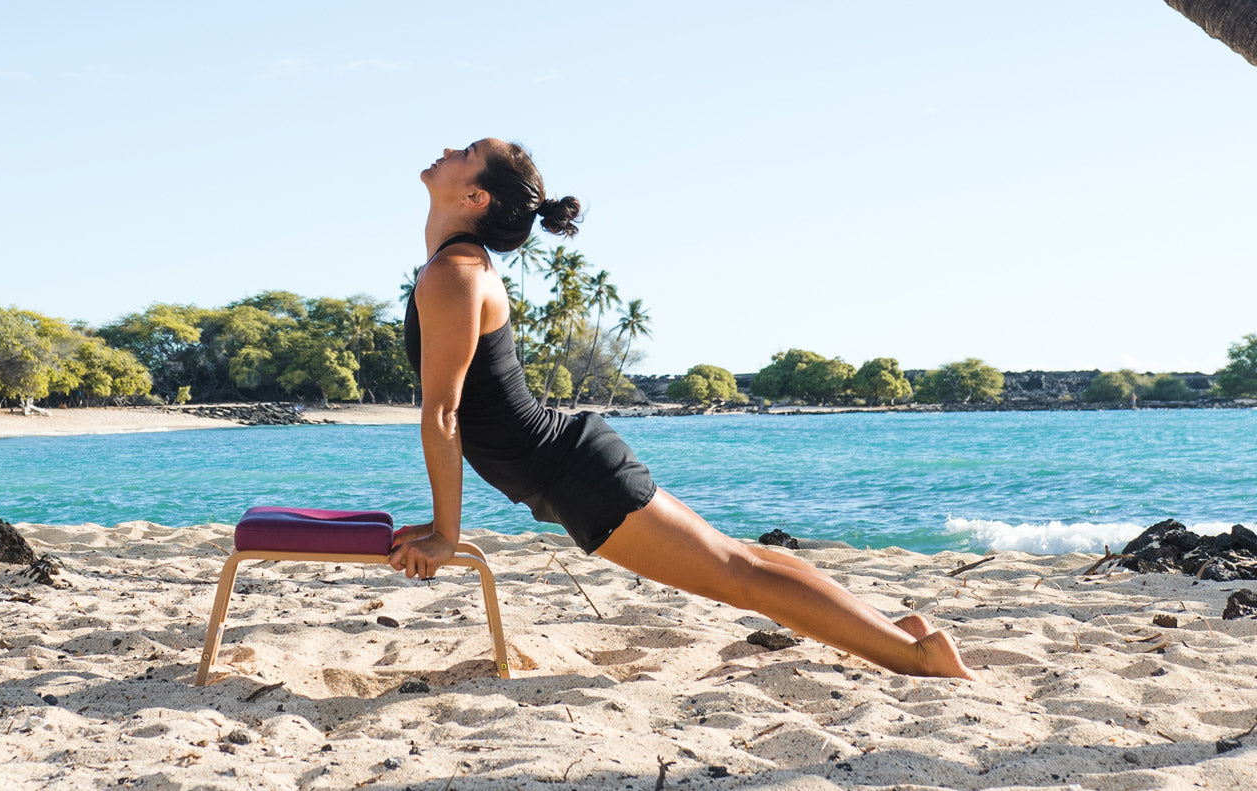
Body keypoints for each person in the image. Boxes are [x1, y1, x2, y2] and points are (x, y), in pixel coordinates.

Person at [387, 139, 977, 680]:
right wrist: (442, 529)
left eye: (466, 152)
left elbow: (443, 415)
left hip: (571, 474)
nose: (448, 149)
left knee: (742, 576)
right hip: (566, 464)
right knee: (745, 562)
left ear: (476, 197)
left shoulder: (456, 273)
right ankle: (896, 632)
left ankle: (921, 659)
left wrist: (446, 535)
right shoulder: (455, 266)